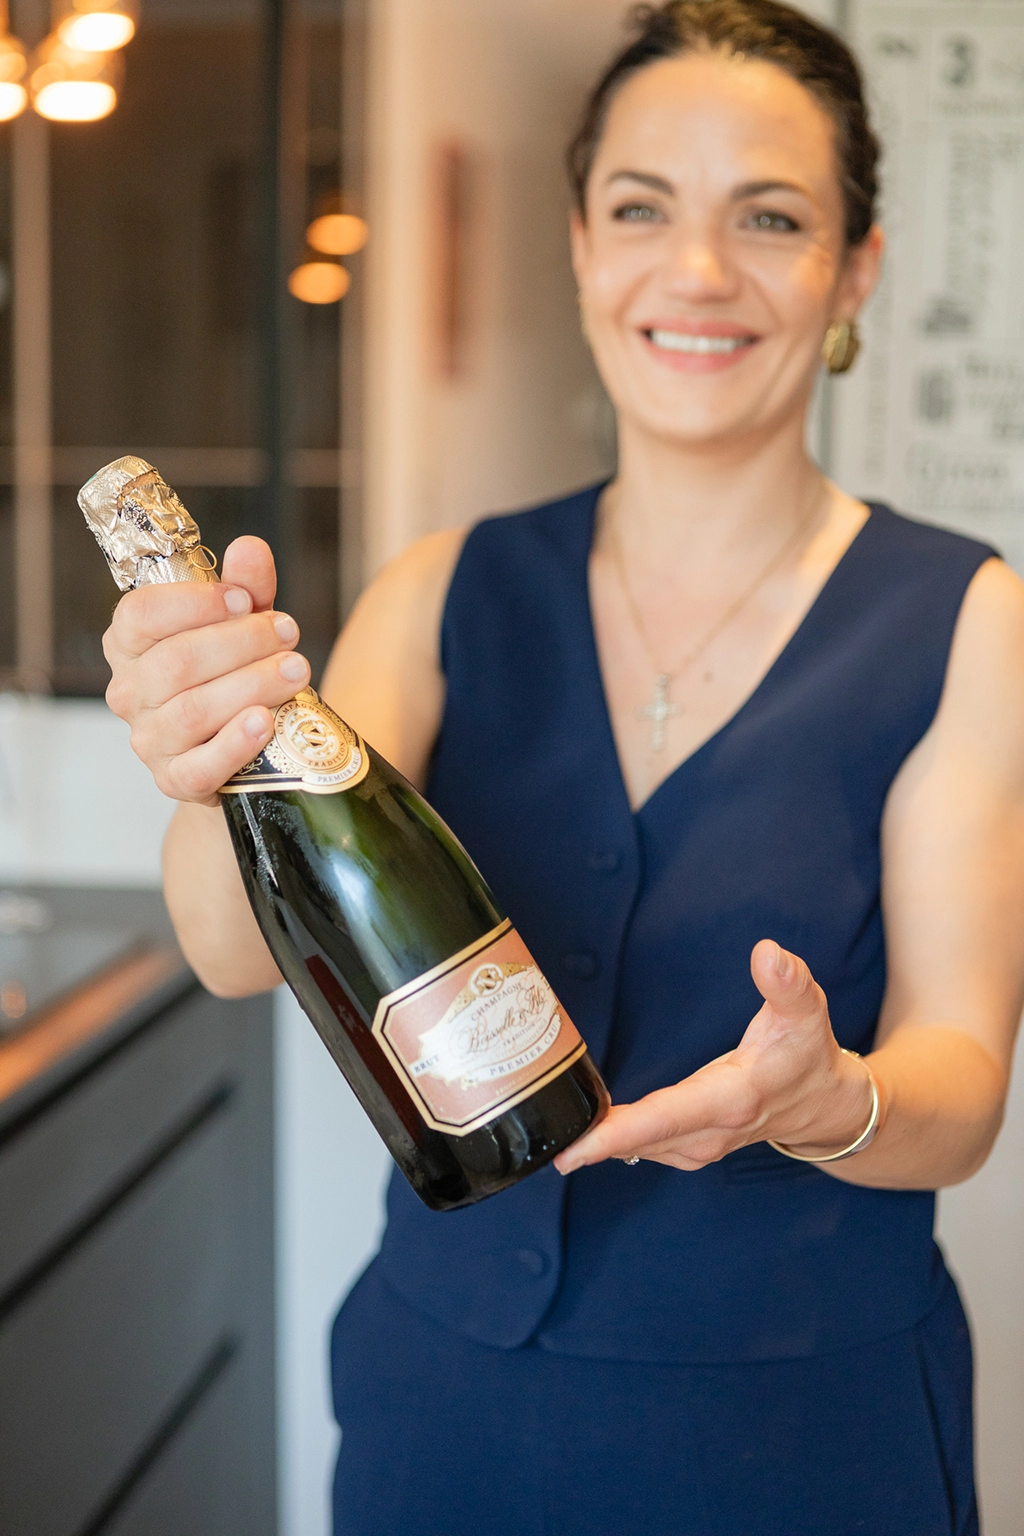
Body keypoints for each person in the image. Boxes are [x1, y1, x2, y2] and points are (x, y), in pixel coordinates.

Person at [103, 2, 1024, 1531]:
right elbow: (228, 945)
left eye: (771, 217)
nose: (698, 271)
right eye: (641, 208)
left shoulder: (966, 617)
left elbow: (966, 1085)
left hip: (805, 1436)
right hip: (443, 1416)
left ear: (855, 268)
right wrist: (206, 749)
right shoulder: (441, 592)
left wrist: (830, 1100)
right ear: (582, 246)